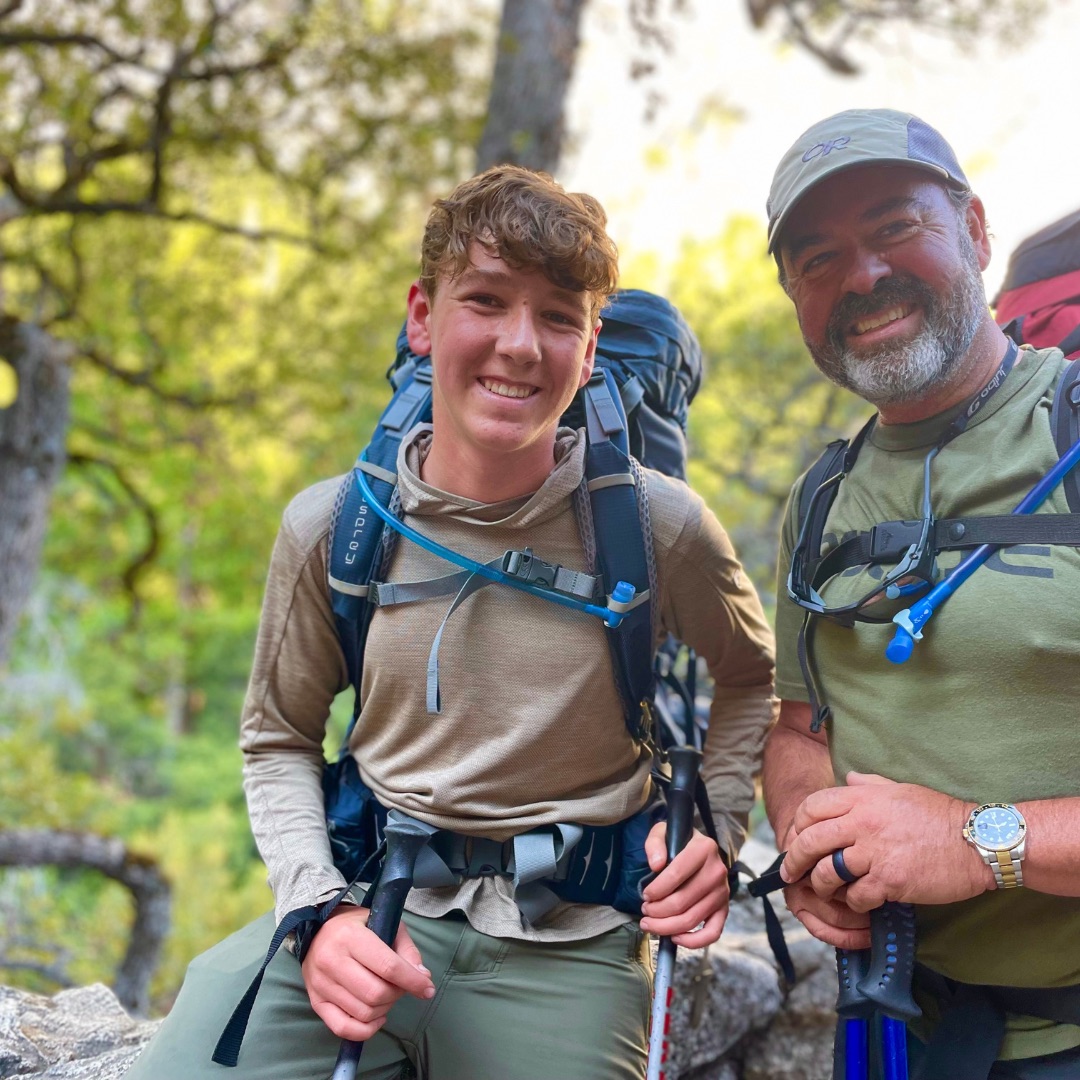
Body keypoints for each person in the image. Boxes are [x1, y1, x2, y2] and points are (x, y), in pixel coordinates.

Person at [123, 164, 776, 1080]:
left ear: (590, 350)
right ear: (423, 318)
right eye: (487, 300)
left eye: (558, 317)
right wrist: (314, 912)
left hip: (572, 944)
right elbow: (276, 738)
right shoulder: (334, 525)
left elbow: (754, 679)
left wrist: (718, 830)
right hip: (366, 910)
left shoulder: (656, 524)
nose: (520, 344)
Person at [761, 107, 1080, 1079]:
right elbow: (799, 724)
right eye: (818, 258)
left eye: (896, 227)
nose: (862, 276)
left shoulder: (1066, 432)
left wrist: (977, 841)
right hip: (907, 1031)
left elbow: (957, 839)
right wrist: (806, 837)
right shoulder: (820, 501)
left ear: (976, 232)